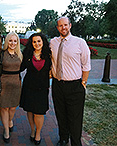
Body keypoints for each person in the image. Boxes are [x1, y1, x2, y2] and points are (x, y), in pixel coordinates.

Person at [50, 17, 91, 146]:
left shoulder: (80, 43)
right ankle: (63, 138)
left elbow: (86, 65)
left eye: (65, 25)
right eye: (60, 25)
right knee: (60, 114)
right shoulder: (53, 42)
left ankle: (75, 142)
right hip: (57, 85)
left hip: (75, 86)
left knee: (75, 118)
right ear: (57, 28)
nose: (63, 28)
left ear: (70, 25)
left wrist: (83, 82)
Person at [20, 33, 52, 145]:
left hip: (42, 88)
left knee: (39, 112)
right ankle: (32, 130)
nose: (37, 44)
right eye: (34, 42)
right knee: (30, 110)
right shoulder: (27, 54)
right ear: (31, 43)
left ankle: (38, 133)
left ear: (43, 41)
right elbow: (20, 67)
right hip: (29, 87)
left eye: (39, 41)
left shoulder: (49, 54)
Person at [0, 32, 23, 143]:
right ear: (7, 41)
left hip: (16, 84)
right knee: (4, 107)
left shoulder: (20, 54)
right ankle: (6, 130)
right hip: (4, 84)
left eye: (15, 41)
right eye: (10, 40)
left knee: (13, 107)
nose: (12, 43)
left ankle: (9, 121)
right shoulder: (2, 54)